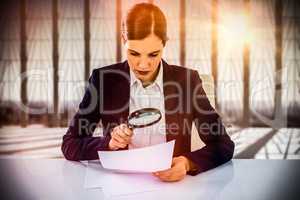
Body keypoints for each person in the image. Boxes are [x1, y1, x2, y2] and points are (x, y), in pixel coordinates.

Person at [61, 3, 234, 182]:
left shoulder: (187, 81)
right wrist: (109, 143)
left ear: (164, 43)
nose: (143, 65)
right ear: (123, 39)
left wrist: (187, 162)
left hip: (173, 188)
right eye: (134, 53)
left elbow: (223, 144)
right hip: (120, 185)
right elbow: (70, 144)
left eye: (153, 54)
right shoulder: (103, 80)